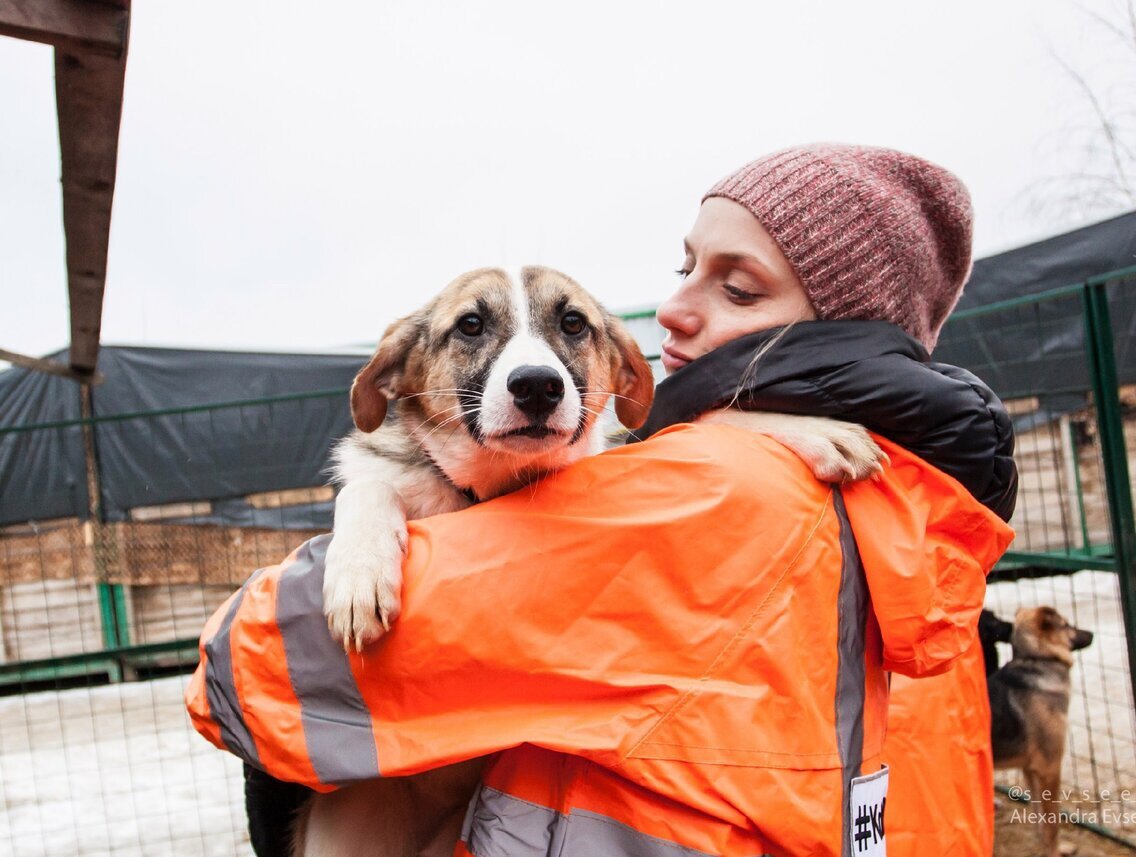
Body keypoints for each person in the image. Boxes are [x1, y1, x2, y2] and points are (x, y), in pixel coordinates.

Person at [188, 144, 1016, 857]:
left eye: (739, 289)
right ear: (399, 377)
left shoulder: (709, 493)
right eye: (684, 267)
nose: (674, 306)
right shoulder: (906, 503)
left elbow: (256, 659)